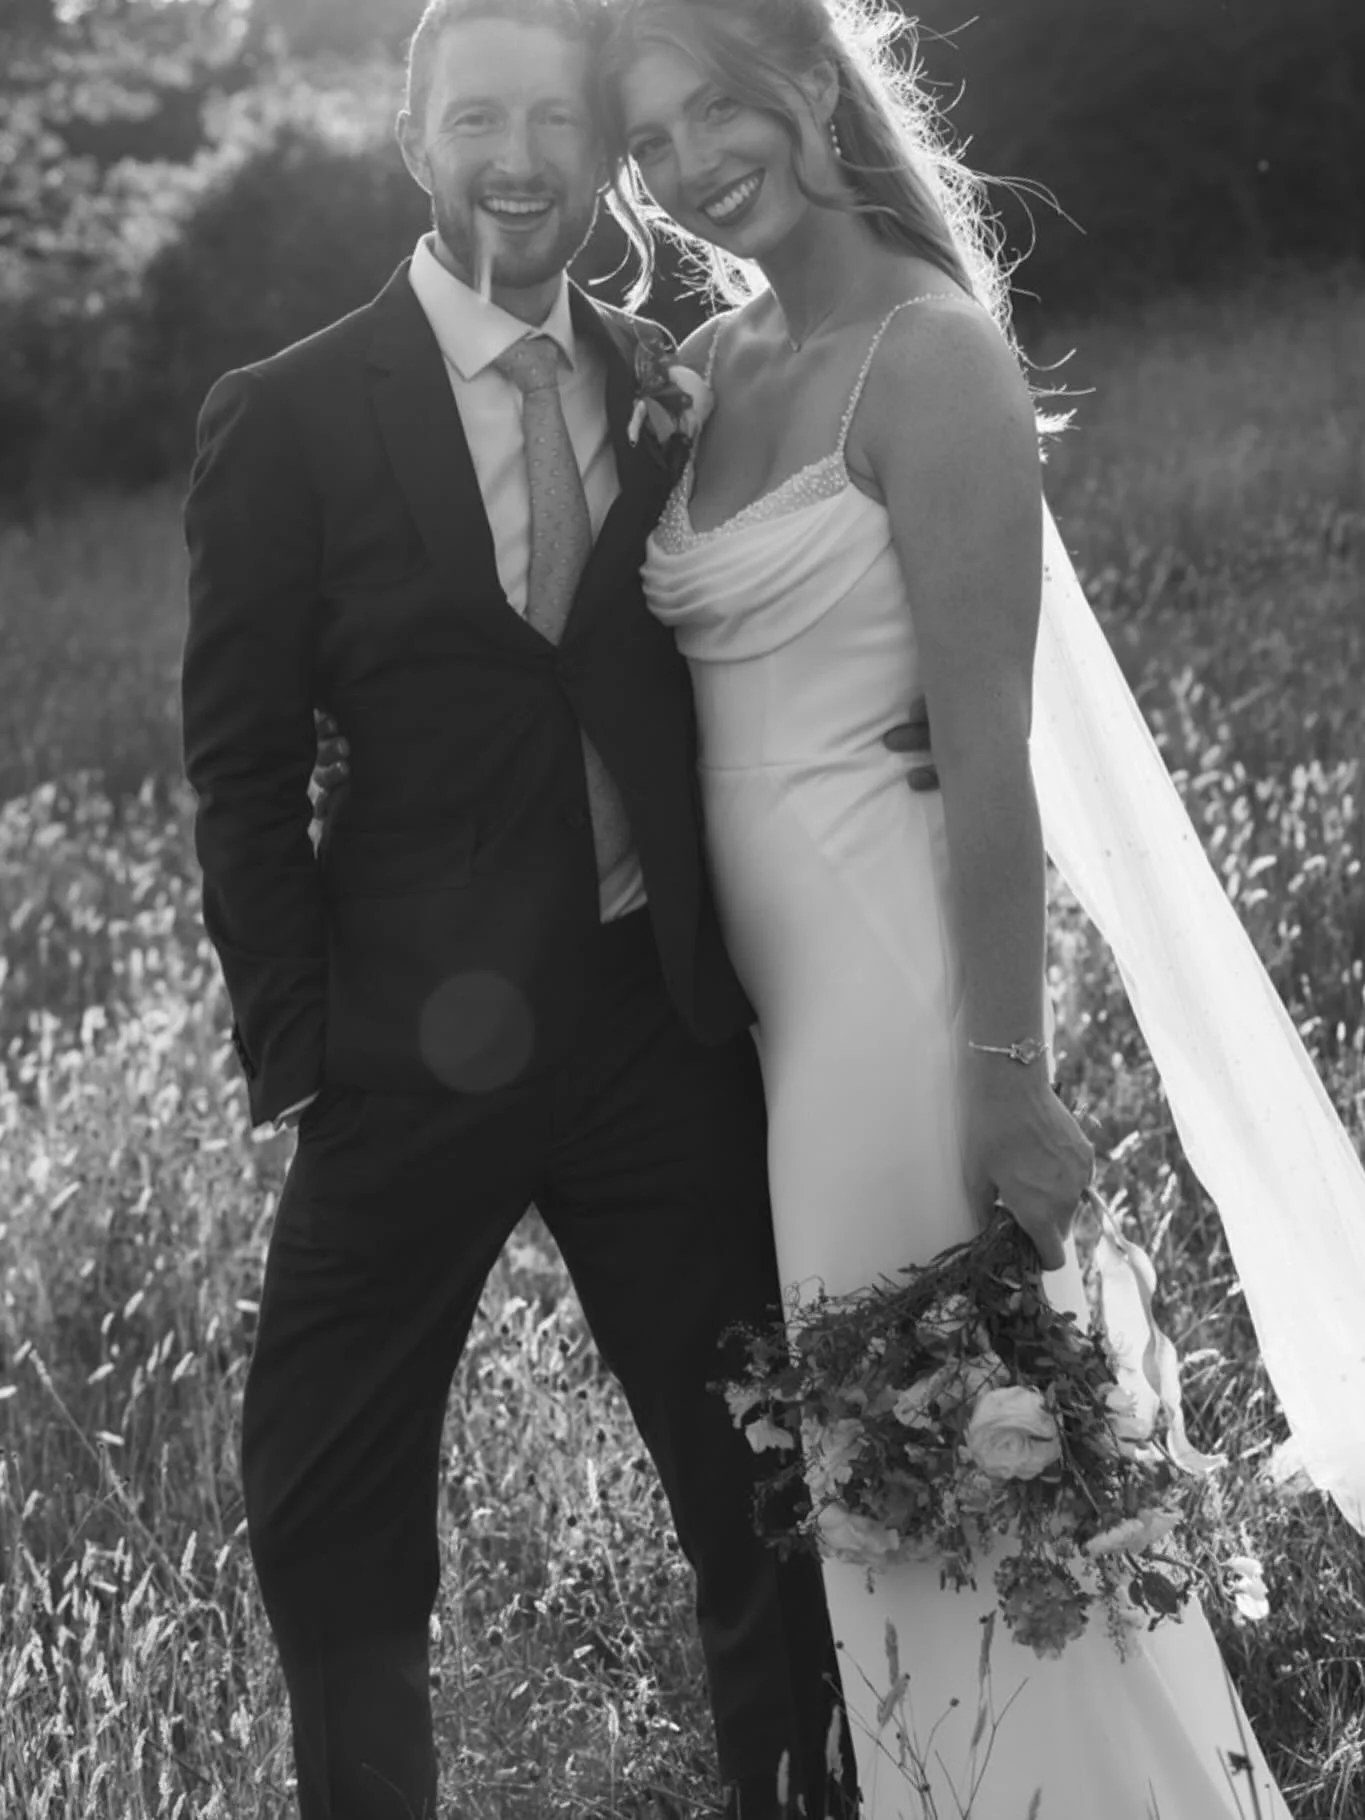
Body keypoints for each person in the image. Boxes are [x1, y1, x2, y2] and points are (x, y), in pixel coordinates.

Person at [181, 1, 943, 1813]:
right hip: (398, 1059)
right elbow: (239, 766)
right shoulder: (283, 417)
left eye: (553, 119)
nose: (516, 158)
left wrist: (885, 714)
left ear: (604, 153)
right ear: (412, 133)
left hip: (643, 1030)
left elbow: (763, 608)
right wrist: (301, 1053)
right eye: (476, 119)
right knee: (324, 1516)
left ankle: (805, 1791)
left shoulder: (679, 381)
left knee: (762, 1497)